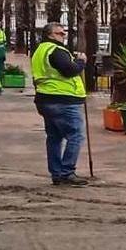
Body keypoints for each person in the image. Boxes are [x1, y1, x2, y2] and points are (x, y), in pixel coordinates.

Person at [31, 23, 88, 186]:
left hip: (45, 99)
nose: (63, 36)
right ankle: (67, 172)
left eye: (64, 33)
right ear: (50, 35)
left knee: (54, 137)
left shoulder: (39, 51)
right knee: (76, 135)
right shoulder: (56, 50)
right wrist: (81, 62)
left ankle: (56, 173)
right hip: (63, 100)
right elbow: (69, 70)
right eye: (60, 34)